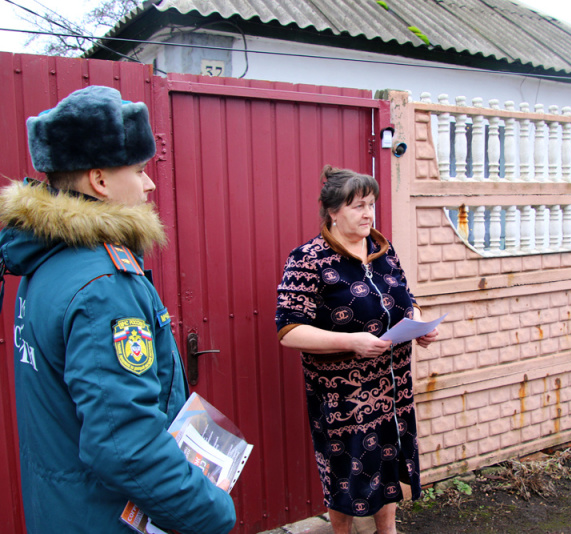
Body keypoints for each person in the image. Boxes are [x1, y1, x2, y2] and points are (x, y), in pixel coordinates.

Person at [0, 86, 236, 534]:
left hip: (65, 508)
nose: (149, 184)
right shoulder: (104, 284)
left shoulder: (46, 262)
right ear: (101, 181)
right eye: (141, 170)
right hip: (103, 518)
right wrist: (211, 513)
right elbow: (124, 444)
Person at [275, 166, 438, 534]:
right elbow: (288, 330)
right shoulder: (308, 259)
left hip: (392, 389)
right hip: (342, 395)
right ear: (333, 211)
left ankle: (388, 530)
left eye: (372, 205)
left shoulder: (382, 249)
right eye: (358, 206)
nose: (369, 214)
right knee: (345, 470)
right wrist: (351, 341)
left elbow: (405, 299)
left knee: (388, 457)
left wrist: (420, 323)